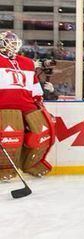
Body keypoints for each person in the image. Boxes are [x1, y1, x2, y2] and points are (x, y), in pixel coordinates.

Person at [0, 31, 55, 180]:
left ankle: (32, 163)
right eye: (9, 43)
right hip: (4, 105)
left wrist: (39, 102)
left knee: (42, 134)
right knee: (11, 137)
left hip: (27, 104)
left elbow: (34, 87)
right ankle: (5, 168)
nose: (12, 47)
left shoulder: (27, 62)